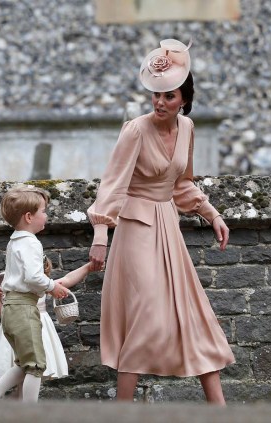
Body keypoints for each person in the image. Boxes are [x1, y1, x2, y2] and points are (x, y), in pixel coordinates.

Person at [87, 39, 234, 404]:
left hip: (168, 226)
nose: (160, 103)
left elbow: (182, 182)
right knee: (147, 313)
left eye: (169, 96)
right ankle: (122, 409)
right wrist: (101, 234)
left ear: (183, 98)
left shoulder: (187, 128)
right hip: (135, 228)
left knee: (192, 313)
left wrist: (211, 213)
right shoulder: (135, 129)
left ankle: (221, 409)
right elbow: (112, 185)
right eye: (155, 95)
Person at [0, 186, 69, 403]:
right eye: (43, 211)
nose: (46, 215)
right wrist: (52, 286)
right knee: (35, 365)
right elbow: (33, 277)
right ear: (29, 217)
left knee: (25, 362)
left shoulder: (15, 240)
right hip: (24, 308)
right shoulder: (30, 242)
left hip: (12, 309)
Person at [0, 257, 91, 398]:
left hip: (39, 328)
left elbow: (68, 279)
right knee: (28, 369)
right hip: (16, 329)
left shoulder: (43, 285)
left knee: (31, 371)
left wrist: (88, 267)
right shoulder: (11, 285)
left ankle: (15, 405)